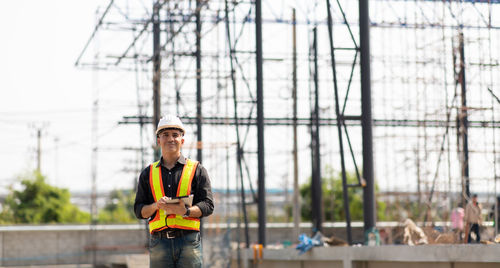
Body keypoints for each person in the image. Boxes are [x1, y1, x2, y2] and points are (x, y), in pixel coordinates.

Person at [134, 115, 214, 268]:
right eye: (165, 135)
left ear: (182, 140)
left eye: (175, 135)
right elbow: (139, 210)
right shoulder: (148, 173)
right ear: (159, 140)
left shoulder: (197, 170)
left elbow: (208, 205)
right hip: (159, 242)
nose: (170, 139)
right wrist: (156, 206)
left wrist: (186, 211)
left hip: (189, 240)